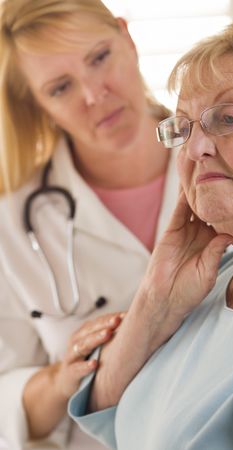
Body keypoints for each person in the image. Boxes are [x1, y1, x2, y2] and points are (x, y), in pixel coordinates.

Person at [69, 15, 233, 450]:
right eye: (184, 127)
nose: (195, 148)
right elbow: (108, 416)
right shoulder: (210, 275)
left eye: (228, 118)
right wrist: (153, 303)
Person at [0, 1, 179, 449]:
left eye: (99, 57)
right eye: (60, 87)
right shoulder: (12, 223)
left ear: (128, 39)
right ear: (37, 104)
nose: (94, 94)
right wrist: (62, 379)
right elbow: (9, 400)